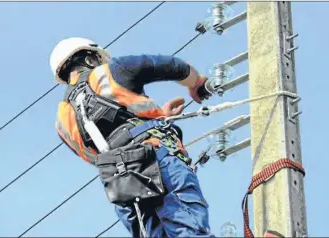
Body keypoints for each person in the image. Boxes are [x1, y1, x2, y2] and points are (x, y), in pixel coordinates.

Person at [50, 37, 214, 237]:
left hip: (120, 184)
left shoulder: (61, 121)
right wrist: (196, 83)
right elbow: (173, 66)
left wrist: (159, 118)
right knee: (187, 228)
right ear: (90, 59)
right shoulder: (112, 71)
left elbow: (99, 153)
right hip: (158, 162)